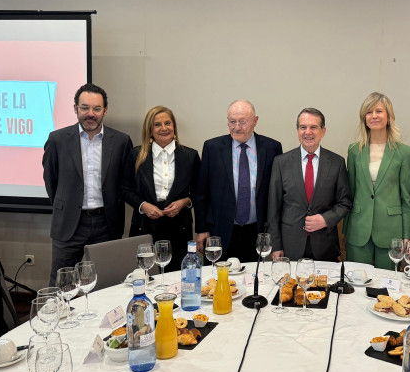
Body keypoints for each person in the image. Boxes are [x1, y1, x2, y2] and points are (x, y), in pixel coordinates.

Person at [43, 84, 133, 286]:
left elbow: (125, 182)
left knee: (108, 283)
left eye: (96, 109)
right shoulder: (57, 140)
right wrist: (66, 205)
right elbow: (51, 180)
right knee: (61, 284)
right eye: (84, 108)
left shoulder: (121, 141)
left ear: (105, 111)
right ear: (75, 108)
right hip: (69, 224)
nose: (90, 114)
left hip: (107, 224)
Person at [194, 100, 282, 262]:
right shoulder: (212, 148)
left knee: (255, 282)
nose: (237, 127)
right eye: (232, 122)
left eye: (242, 122)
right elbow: (201, 192)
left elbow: (277, 194)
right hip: (219, 232)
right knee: (217, 283)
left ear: (255, 121)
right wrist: (201, 228)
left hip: (257, 232)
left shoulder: (272, 148)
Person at [269, 108, 352, 261]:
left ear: (323, 131)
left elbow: (345, 202)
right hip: (290, 246)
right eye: (303, 127)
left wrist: (326, 219)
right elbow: (273, 208)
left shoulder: (337, 163)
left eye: (313, 127)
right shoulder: (281, 163)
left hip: (325, 245)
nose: (308, 132)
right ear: (297, 130)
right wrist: (276, 245)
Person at [122, 106, 200, 270]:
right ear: (149, 130)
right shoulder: (136, 155)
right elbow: (124, 189)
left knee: (178, 279)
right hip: (145, 226)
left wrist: (184, 202)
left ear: (174, 127)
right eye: (157, 124)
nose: (164, 128)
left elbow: (199, 191)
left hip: (179, 227)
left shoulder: (190, 156)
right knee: (146, 279)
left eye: (168, 123)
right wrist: (143, 205)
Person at [343, 92, 410, 269]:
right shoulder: (354, 150)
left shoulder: (403, 152)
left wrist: (407, 234)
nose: (374, 116)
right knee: (356, 282)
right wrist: (346, 231)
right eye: (369, 112)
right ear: (364, 118)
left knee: (387, 287)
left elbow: (406, 197)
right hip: (359, 229)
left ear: (388, 117)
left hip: (391, 231)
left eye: (379, 111)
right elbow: (349, 194)